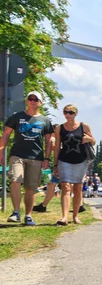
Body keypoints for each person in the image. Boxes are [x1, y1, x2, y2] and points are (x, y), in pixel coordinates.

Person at [0, 91, 54, 225]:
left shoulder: (45, 121)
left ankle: (28, 215)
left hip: (36, 157)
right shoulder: (17, 117)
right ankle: (16, 212)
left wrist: (47, 158)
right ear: (27, 101)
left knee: (31, 187)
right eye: (30, 98)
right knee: (16, 179)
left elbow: (49, 142)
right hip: (17, 154)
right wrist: (1, 151)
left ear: (40, 103)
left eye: (36, 99)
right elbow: (6, 134)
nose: (33, 101)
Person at [53, 104, 96, 225]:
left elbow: (93, 140)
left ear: (75, 114)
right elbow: (57, 148)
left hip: (81, 161)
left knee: (78, 188)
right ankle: (64, 217)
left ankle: (75, 216)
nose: (68, 115)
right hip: (64, 160)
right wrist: (55, 165)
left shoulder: (83, 126)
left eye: (70, 112)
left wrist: (89, 139)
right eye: (65, 112)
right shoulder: (59, 128)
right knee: (65, 187)